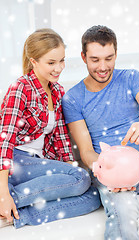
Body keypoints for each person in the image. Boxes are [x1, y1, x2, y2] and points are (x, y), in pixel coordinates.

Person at [62, 25, 139, 240]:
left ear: (116, 54)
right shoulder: (73, 99)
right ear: (83, 57)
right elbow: (86, 153)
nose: (103, 66)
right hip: (108, 172)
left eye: (109, 58)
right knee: (124, 214)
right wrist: (113, 174)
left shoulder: (131, 78)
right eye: (95, 60)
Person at [0, 28, 100, 229]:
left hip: (36, 163)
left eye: (62, 60)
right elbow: (5, 140)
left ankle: (15, 215)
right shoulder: (20, 89)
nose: (59, 68)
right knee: (80, 177)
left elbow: (61, 139)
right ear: (33, 61)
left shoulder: (57, 91)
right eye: (51, 63)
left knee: (93, 196)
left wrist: (68, 169)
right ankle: (10, 199)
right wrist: (2, 192)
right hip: (16, 160)